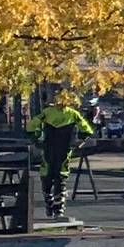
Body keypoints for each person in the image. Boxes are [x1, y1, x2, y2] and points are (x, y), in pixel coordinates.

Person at [26, 91, 96, 219]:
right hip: (64, 149)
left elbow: (31, 126)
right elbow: (87, 130)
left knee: (47, 175)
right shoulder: (73, 114)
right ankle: (58, 208)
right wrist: (79, 142)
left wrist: (35, 139)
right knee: (61, 177)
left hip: (49, 148)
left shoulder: (47, 113)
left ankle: (50, 203)